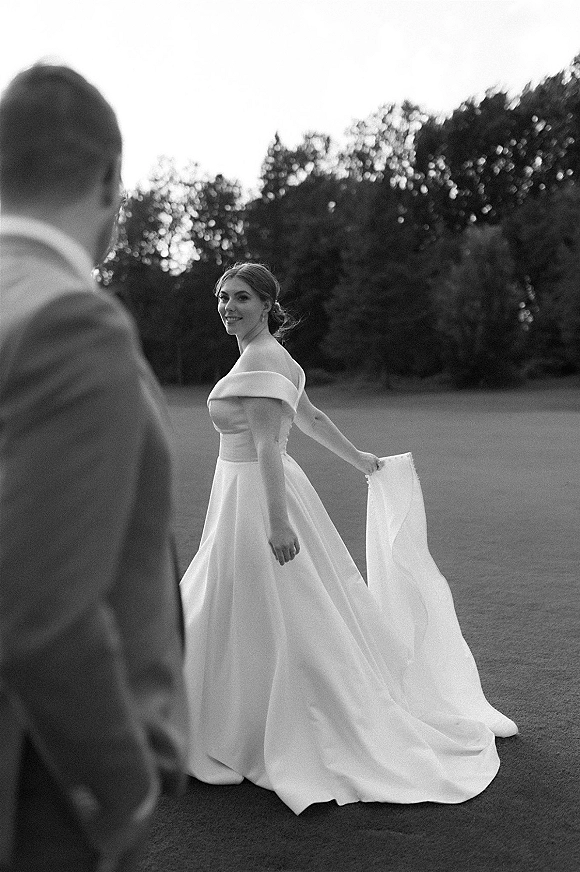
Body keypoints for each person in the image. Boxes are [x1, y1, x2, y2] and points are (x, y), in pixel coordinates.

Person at [180, 261, 518, 815]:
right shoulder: (277, 360)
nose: (228, 307)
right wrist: (360, 459)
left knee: (255, 606)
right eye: (222, 297)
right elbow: (310, 417)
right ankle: (227, 710)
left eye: (241, 297)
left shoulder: (264, 359)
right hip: (246, 493)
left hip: (257, 498)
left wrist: (277, 521)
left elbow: (269, 446)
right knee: (238, 602)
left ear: (267, 305)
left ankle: (241, 719)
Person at [0, 63, 188, 871]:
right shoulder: (73, 319)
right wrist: (122, 790)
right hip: (40, 783)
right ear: (111, 179)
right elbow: (44, 617)